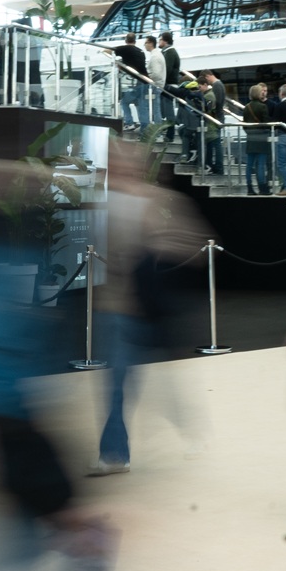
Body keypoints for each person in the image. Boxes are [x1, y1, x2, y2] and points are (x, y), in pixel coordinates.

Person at [92, 138, 212, 475]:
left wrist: (160, 247)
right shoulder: (105, 200)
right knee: (116, 384)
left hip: (149, 309)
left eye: (127, 161)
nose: (122, 166)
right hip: (115, 307)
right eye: (116, 160)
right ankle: (114, 454)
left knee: (161, 384)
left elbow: (195, 242)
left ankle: (190, 429)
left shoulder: (159, 201)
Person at [111, 32, 149, 130]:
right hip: (145, 81)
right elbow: (134, 64)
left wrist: (116, 62)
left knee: (124, 102)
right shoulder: (140, 51)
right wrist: (123, 65)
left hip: (139, 82)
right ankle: (144, 128)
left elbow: (108, 50)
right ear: (135, 41)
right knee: (141, 105)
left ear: (126, 41)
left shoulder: (125, 49)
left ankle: (129, 123)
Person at [244, 83, 274, 196]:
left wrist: (250, 132)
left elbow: (244, 124)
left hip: (250, 138)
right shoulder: (263, 107)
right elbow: (266, 124)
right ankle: (262, 188)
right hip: (261, 139)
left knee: (249, 165)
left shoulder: (247, 107)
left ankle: (249, 188)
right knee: (261, 164)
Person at [197, 70, 229, 173]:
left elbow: (216, 103)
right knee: (213, 143)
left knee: (216, 143)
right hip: (218, 117)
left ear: (207, 76)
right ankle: (214, 166)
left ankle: (218, 167)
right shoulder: (219, 85)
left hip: (216, 118)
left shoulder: (217, 86)